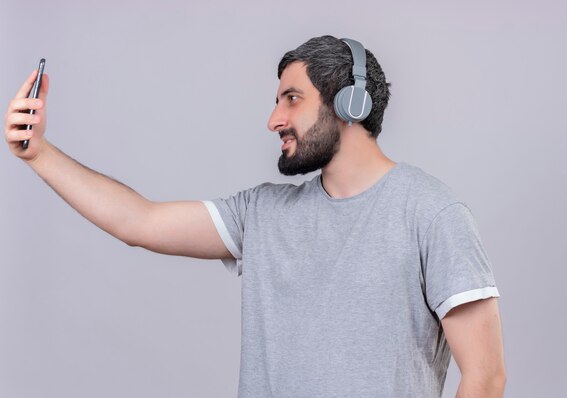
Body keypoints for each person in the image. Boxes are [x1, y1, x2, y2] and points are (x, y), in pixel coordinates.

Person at [4, 35, 506, 397]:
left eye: (292, 99)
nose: (274, 120)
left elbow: (485, 377)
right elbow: (139, 222)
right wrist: (40, 154)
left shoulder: (433, 214)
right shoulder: (262, 213)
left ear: (349, 103)